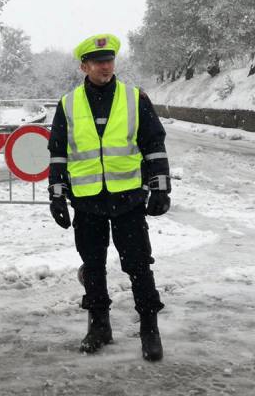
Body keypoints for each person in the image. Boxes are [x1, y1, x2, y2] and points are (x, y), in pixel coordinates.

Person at [47, 33, 171, 361]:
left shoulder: (134, 98)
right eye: (98, 62)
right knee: (93, 266)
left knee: (139, 265)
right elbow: (58, 153)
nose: (106, 66)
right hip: (87, 202)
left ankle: (149, 329)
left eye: (109, 60)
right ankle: (99, 325)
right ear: (83, 66)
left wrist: (160, 187)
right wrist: (57, 196)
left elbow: (154, 143)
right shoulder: (68, 104)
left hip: (128, 199)